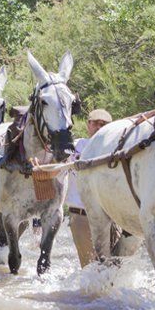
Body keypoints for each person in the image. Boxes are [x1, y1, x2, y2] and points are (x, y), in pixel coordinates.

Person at [65, 109, 113, 267]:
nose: (99, 127)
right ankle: (90, 292)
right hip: (81, 215)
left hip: (111, 216)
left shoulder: (115, 148)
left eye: (104, 124)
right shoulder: (75, 146)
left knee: (113, 265)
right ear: (88, 125)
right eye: (95, 124)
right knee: (89, 266)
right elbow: (58, 166)